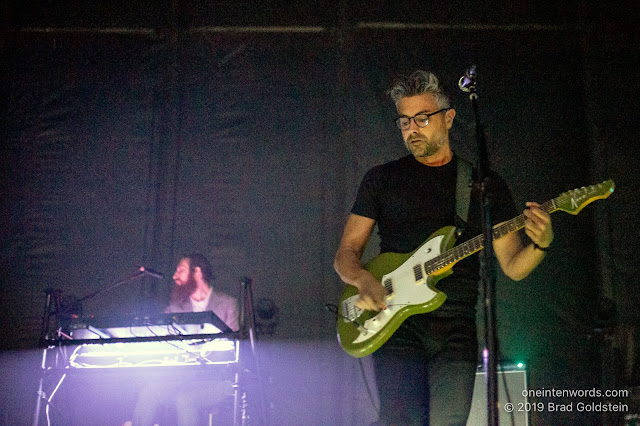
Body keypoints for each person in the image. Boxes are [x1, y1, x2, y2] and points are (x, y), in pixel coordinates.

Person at [333, 70, 553, 425]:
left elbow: (512, 265)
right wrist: (363, 280)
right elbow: (345, 255)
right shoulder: (380, 179)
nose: (412, 129)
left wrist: (540, 245)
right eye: (404, 121)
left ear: (449, 118)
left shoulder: (480, 184)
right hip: (396, 326)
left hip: (455, 328)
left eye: (422, 118)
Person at [131, 253, 240, 426]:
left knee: (185, 398)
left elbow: (235, 349)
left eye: (180, 270)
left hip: (218, 380)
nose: (174, 276)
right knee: (149, 390)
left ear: (196, 272)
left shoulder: (227, 304)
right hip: (181, 379)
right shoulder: (174, 309)